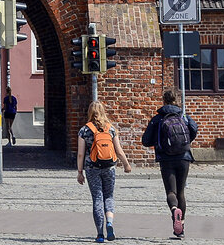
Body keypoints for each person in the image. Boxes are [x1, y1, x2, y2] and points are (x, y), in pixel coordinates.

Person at [142, 89, 198, 239]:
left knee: (171, 192)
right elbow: (194, 129)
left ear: (164, 101)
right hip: (184, 157)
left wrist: (158, 141)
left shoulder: (157, 119)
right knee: (181, 192)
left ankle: (174, 211)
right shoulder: (183, 116)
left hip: (166, 159)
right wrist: (184, 143)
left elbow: (145, 141)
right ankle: (181, 229)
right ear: (177, 100)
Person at [77, 101, 133, 243]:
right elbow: (119, 151)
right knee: (108, 196)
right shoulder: (111, 129)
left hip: (92, 168)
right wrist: (126, 165)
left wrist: (79, 172)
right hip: (109, 168)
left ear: (90, 112)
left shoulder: (84, 130)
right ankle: (109, 222)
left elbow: (80, 155)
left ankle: (100, 234)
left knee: (97, 198)